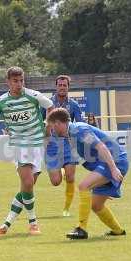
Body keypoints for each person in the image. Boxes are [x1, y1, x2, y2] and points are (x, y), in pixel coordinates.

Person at [0, 66, 54, 236]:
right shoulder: (1, 101)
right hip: (19, 146)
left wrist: (48, 125)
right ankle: (33, 223)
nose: (19, 84)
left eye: (21, 81)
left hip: (36, 145)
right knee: (27, 184)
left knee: (26, 189)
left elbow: (50, 106)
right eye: (15, 81)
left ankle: (6, 225)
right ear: (8, 82)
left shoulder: (33, 95)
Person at [47, 108, 129, 239]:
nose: (51, 130)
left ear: (57, 123)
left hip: (115, 161)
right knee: (96, 206)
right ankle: (118, 231)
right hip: (107, 164)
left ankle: (81, 229)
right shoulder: (70, 135)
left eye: (51, 126)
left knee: (83, 186)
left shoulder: (79, 130)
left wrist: (113, 169)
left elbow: (101, 147)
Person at [45, 75, 83, 218]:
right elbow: (41, 121)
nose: (62, 87)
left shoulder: (73, 105)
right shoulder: (48, 103)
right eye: (60, 85)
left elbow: (80, 123)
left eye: (64, 85)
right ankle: (60, 171)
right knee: (55, 182)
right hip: (52, 146)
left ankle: (66, 209)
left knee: (71, 177)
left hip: (68, 144)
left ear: (68, 87)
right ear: (56, 86)